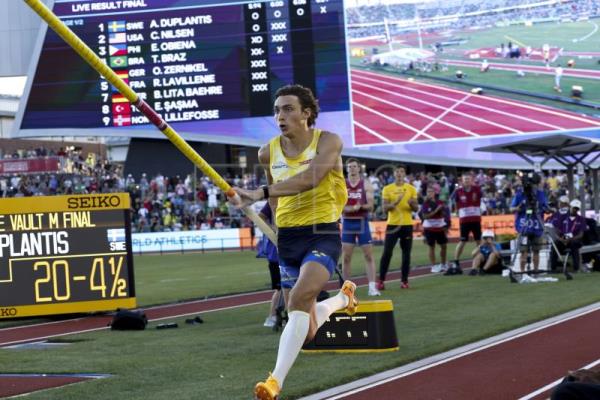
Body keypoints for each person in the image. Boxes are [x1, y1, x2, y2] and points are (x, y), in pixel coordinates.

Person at [231, 84, 357, 400]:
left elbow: (311, 178)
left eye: (288, 108)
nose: (281, 115)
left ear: (306, 113)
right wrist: (271, 225)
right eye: (277, 110)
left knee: (300, 297)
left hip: (322, 231)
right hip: (287, 237)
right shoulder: (266, 152)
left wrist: (257, 193)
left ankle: (274, 381)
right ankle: (343, 299)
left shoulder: (328, 141)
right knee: (307, 330)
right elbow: (277, 197)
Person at [341, 158, 380, 296]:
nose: (351, 169)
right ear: (347, 169)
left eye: (354, 166)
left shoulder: (366, 184)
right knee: (346, 257)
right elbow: (338, 206)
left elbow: (371, 206)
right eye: (349, 167)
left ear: (359, 168)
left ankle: (372, 287)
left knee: (368, 255)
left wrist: (359, 207)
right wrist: (351, 208)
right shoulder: (342, 185)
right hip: (348, 223)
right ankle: (347, 290)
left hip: (362, 222)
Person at [377, 165, 418, 290]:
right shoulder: (387, 189)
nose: (399, 173)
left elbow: (416, 208)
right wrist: (395, 202)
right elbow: (384, 209)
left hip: (406, 225)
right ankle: (381, 280)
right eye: (397, 172)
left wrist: (412, 204)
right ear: (394, 174)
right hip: (393, 225)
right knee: (387, 253)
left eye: (401, 171)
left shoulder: (411, 189)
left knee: (406, 254)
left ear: (404, 174)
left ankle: (404, 281)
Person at [510, 172, 549, 278]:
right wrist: (517, 208)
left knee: (536, 250)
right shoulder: (519, 194)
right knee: (523, 252)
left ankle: (536, 271)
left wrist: (548, 209)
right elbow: (512, 208)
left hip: (537, 226)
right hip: (524, 227)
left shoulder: (540, 194)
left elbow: (546, 207)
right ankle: (523, 273)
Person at [447, 173, 483, 275]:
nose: (467, 181)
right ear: (462, 181)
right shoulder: (458, 191)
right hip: (464, 220)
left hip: (475, 219)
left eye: (468, 179)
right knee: (462, 241)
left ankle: (479, 261)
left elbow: (482, 197)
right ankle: (456, 261)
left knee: (478, 242)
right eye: (465, 179)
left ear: (471, 180)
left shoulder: (477, 189)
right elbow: (451, 200)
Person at [256, 202, 283, 328]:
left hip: (286, 250)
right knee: (280, 288)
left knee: (289, 287)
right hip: (275, 255)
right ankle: (272, 316)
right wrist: (271, 228)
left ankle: (282, 316)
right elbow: (260, 217)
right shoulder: (272, 201)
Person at [549, 199, 587, 273]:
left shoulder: (581, 219)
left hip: (575, 240)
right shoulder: (563, 217)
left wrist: (570, 239)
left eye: (577, 208)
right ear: (570, 207)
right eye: (574, 208)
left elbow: (581, 234)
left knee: (574, 245)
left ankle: (576, 268)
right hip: (563, 239)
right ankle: (553, 268)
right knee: (555, 245)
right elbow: (557, 230)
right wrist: (560, 239)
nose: (575, 210)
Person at [420, 186, 449, 273]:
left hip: (440, 228)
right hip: (430, 228)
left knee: (444, 246)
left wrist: (442, 210)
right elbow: (425, 216)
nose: (430, 193)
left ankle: (443, 264)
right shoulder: (425, 204)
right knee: (431, 247)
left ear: (434, 193)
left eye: (431, 192)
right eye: (428, 192)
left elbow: (444, 214)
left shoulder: (439, 202)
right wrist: (436, 210)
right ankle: (433, 266)